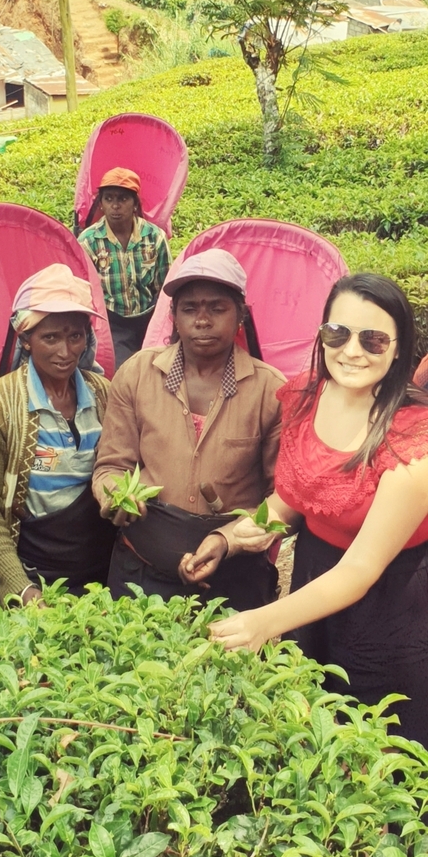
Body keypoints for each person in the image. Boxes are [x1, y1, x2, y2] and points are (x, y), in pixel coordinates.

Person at [210, 273, 428, 748]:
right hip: (313, 583)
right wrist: (234, 535)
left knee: (381, 742)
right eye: (338, 333)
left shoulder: (414, 439)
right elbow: (297, 493)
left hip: (386, 605)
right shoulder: (308, 396)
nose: (352, 351)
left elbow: (362, 567)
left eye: (373, 339)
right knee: (313, 725)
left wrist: (263, 621)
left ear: (397, 349)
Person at [92, 249, 284, 609]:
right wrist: (115, 496)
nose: (202, 320)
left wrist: (229, 539)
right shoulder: (136, 374)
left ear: (240, 315)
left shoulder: (270, 391)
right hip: (141, 574)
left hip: (234, 580)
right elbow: (111, 465)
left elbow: (283, 499)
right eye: (190, 308)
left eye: (217, 308)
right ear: (174, 317)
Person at [0, 264, 114, 605]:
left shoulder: (104, 394)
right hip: (34, 573)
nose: (65, 351)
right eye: (50, 337)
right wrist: (22, 590)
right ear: (26, 339)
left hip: (103, 573)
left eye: (75, 336)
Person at [78, 167, 171, 366]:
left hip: (149, 317)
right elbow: (84, 291)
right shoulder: (89, 241)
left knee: (157, 366)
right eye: (109, 199)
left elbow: (165, 288)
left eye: (122, 199)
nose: (115, 206)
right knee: (125, 371)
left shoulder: (154, 237)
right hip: (112, 322)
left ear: (135, 204)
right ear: (101, 204)